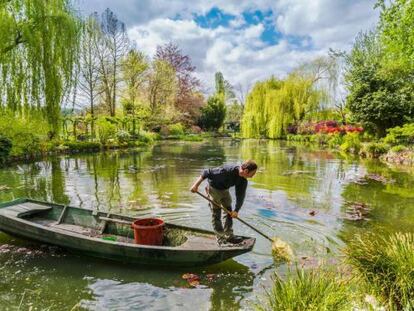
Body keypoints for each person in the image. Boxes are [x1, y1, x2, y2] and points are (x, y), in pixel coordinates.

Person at [190, 160, 257, 244]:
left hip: (225, 190)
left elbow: (240, 196)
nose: (252, 176)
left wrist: (236, 210)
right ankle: (220, 238)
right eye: (253, 174)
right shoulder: (226, 171)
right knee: (216, 213)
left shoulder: (243, 180)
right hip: (213, 189)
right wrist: (195, 185)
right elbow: (207, 172)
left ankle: (229, 236)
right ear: (246, 171)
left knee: (229, 212)